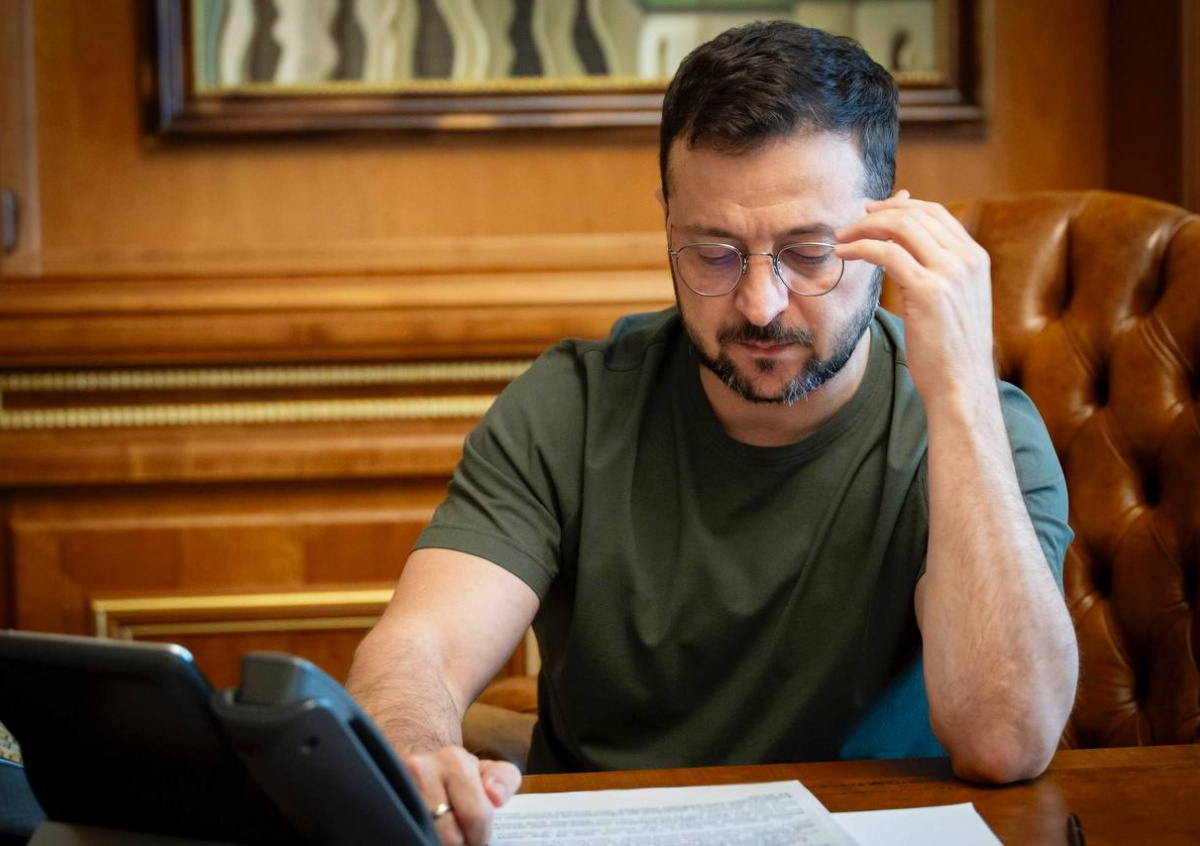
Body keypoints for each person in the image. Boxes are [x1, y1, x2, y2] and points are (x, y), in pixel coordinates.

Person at [347, 20, 1079, 846]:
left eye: (808, 252)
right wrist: (410, 752)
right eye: (715, 252)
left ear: (887, 231)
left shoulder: (984, 426)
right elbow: (421, 649)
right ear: (668, 222)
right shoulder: (571, 407)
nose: (760, 305)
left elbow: (1005, 741)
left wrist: (961, 392)